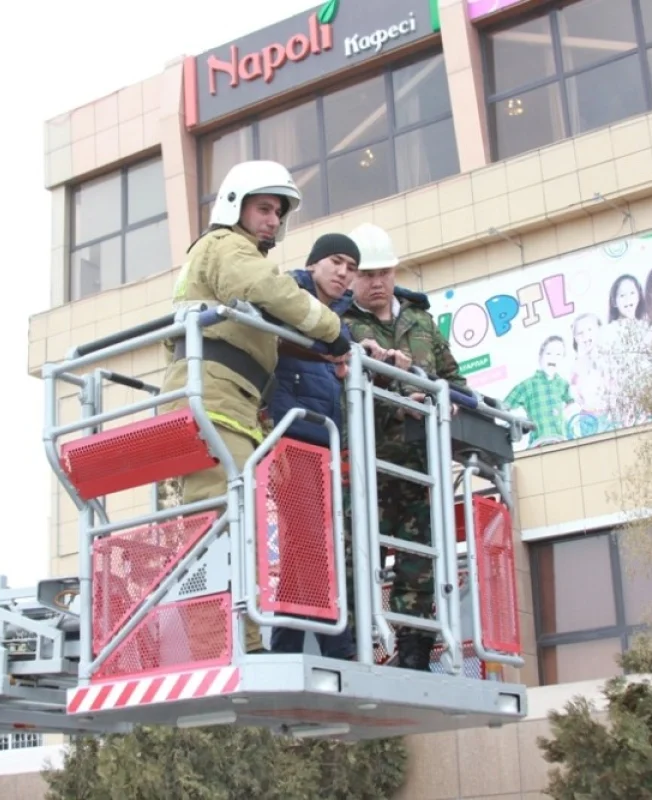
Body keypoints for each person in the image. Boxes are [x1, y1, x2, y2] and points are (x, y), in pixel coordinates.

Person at [160, 160, 351, 654]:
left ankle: (235, 642)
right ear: (234, 206)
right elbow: (266, 287)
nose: (272, 220)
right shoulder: (228, 248)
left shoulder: (215, 258)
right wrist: (332, 330)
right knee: (224, 527)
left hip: (223, 398)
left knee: (226, 524)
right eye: (263, 208)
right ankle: (229, 648)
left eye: (278, 212)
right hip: (215, 400)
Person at [342, 223, 467, 671]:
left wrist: (443, 400)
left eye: (385, 273)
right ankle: (355, 650)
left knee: (421, 563)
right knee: (357, 559)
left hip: (420, 467)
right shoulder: (340, 326)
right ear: (352, 276)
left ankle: (415, 652)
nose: (377, 282)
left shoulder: (421, 321)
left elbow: (455, 381)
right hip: (366, 468)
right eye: (367, 274)